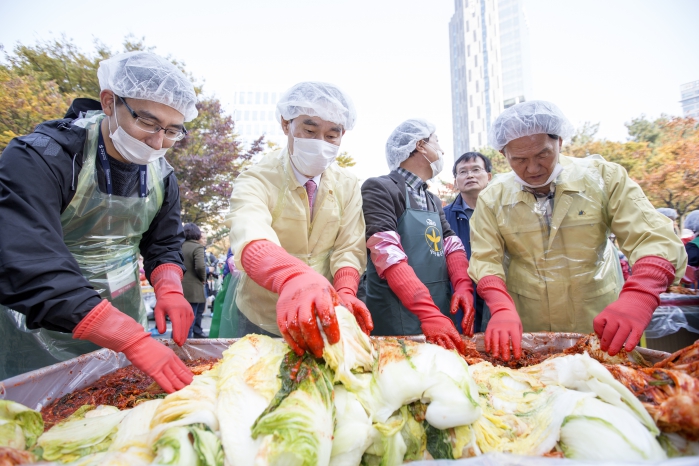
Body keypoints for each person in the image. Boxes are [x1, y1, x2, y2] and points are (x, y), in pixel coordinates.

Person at [0, 51, 197, 392]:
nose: (157, 141)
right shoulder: (42, 157)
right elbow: (27, 257)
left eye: (171, 131)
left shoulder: (162, 176)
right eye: (147, 122)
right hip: (41, 328)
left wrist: (169, 286)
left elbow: (163, 241)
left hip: (124, 315)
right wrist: (127, 337)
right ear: (109, 102)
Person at [469, 100, 687, 360]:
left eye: (542, 154)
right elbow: (485, 258)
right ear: (504, 155)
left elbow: (653, 236)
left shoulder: (604, 178)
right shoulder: (493, 197)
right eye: (519, 159)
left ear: (559, 142)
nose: (533, 168)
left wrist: (641, 294)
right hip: (528, 328)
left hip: (599, 322)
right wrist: (500, 304)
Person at [223, 82, 371, 357]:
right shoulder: (257, 178)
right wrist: (292, 277)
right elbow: (251, 235)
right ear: (285, 124)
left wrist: (347, 290)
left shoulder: (347, 184)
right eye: (310, 130)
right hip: (261, 312)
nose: (320, 144)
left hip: (323, 308)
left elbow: (349, 247)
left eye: (331, 135)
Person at [361, 119, 474, 353]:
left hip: (437, 308)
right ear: (421, 145)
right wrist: (427, 311)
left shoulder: (431, 198)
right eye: (437, 142)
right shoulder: (381, 188)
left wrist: (463, 285)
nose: (442, 150)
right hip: (397, 313)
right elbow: (386, 253)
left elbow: (451, 244)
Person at [443, 152, 493, 333]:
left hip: (496, 291)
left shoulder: (502, 212)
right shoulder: (443, 217)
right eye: (462, 172)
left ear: (488, 176)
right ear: (456, 181)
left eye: (476, 169)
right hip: (460, 294)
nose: (470, 175)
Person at [182, 223, 207, 339]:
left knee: (179, 322)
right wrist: (203, 278)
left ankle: (175, 348)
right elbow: (200, 267)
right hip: (193, 290)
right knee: (190, 322)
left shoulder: (178, 246)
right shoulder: (197, 247)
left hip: (179, 287)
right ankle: (185, 352)